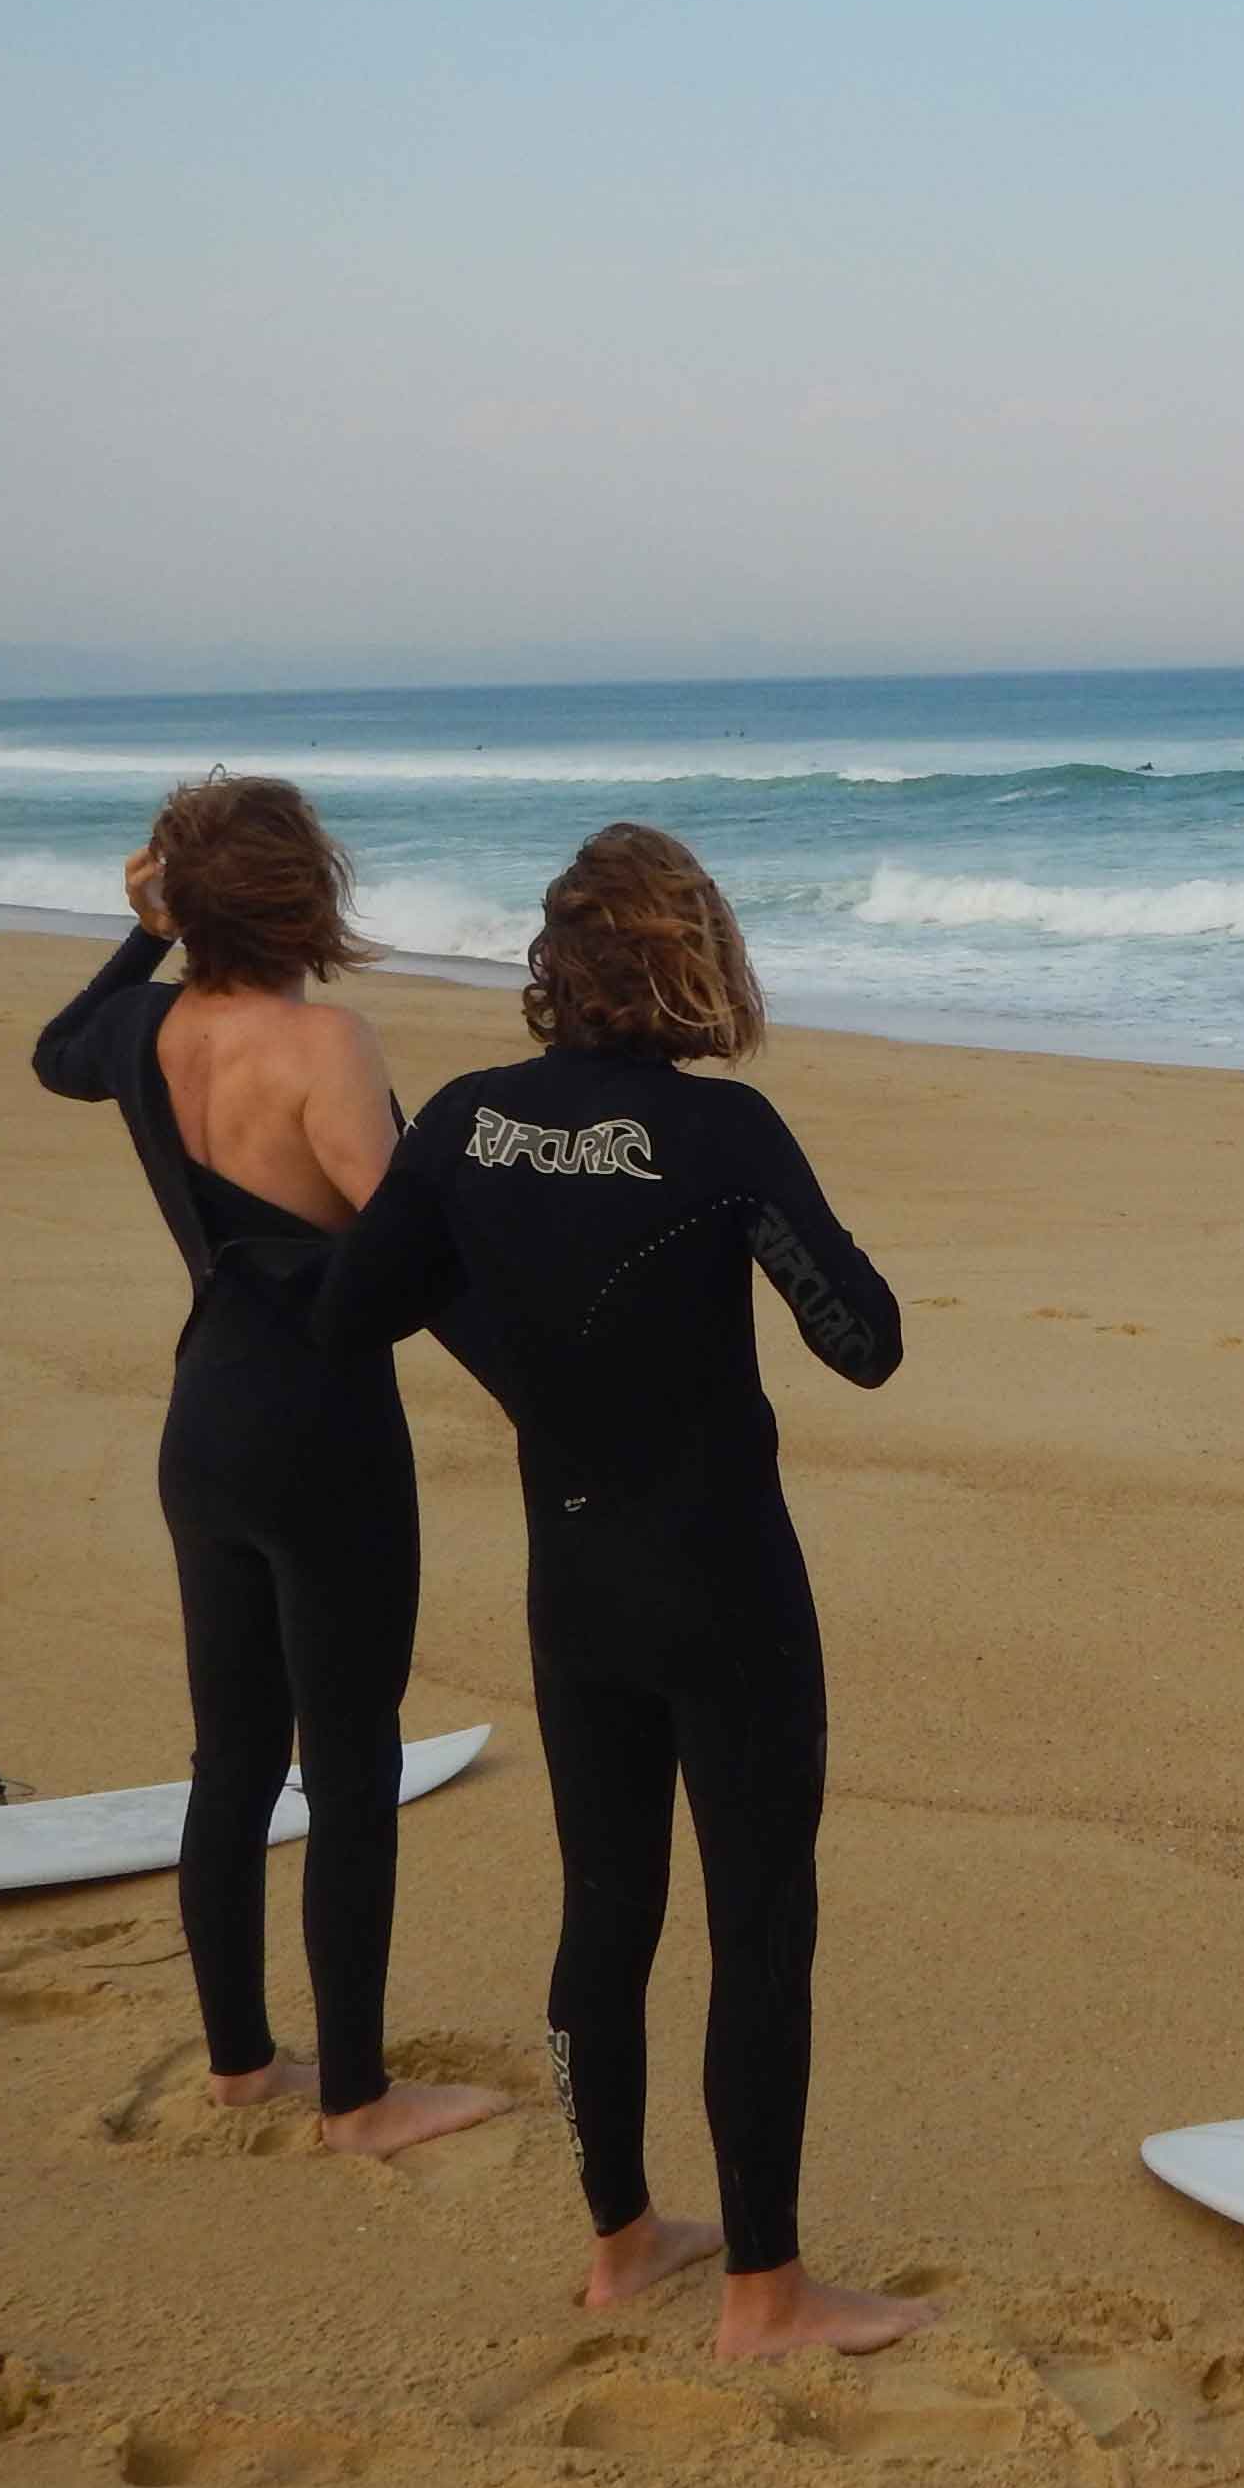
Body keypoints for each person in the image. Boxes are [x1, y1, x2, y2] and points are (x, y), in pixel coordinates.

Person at [318, 822, 929, 2359]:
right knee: (759, 1922)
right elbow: (862, 1337)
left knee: (605, 1908)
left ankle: (621, 2243)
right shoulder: (722, 1135)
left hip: (574, 1586)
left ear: (558, 966)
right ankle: (767, 2294)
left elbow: (353, 1309)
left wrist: (531, 1360)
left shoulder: (461, 1123)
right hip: (725, 1587)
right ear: (694, 957)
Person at [32, 776, 505, 2160]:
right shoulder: (325, 1042)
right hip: (324, 1432)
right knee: (350, 1760)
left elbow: (56, 1050)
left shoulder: (143, 1026)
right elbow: (405, 1250)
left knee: (231, 1756)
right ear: (310, 896)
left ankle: (241, 2064)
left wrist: (140, 937)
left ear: (186, 899)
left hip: (205, 1422)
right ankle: (358, 2098)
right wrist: (542, 1398)